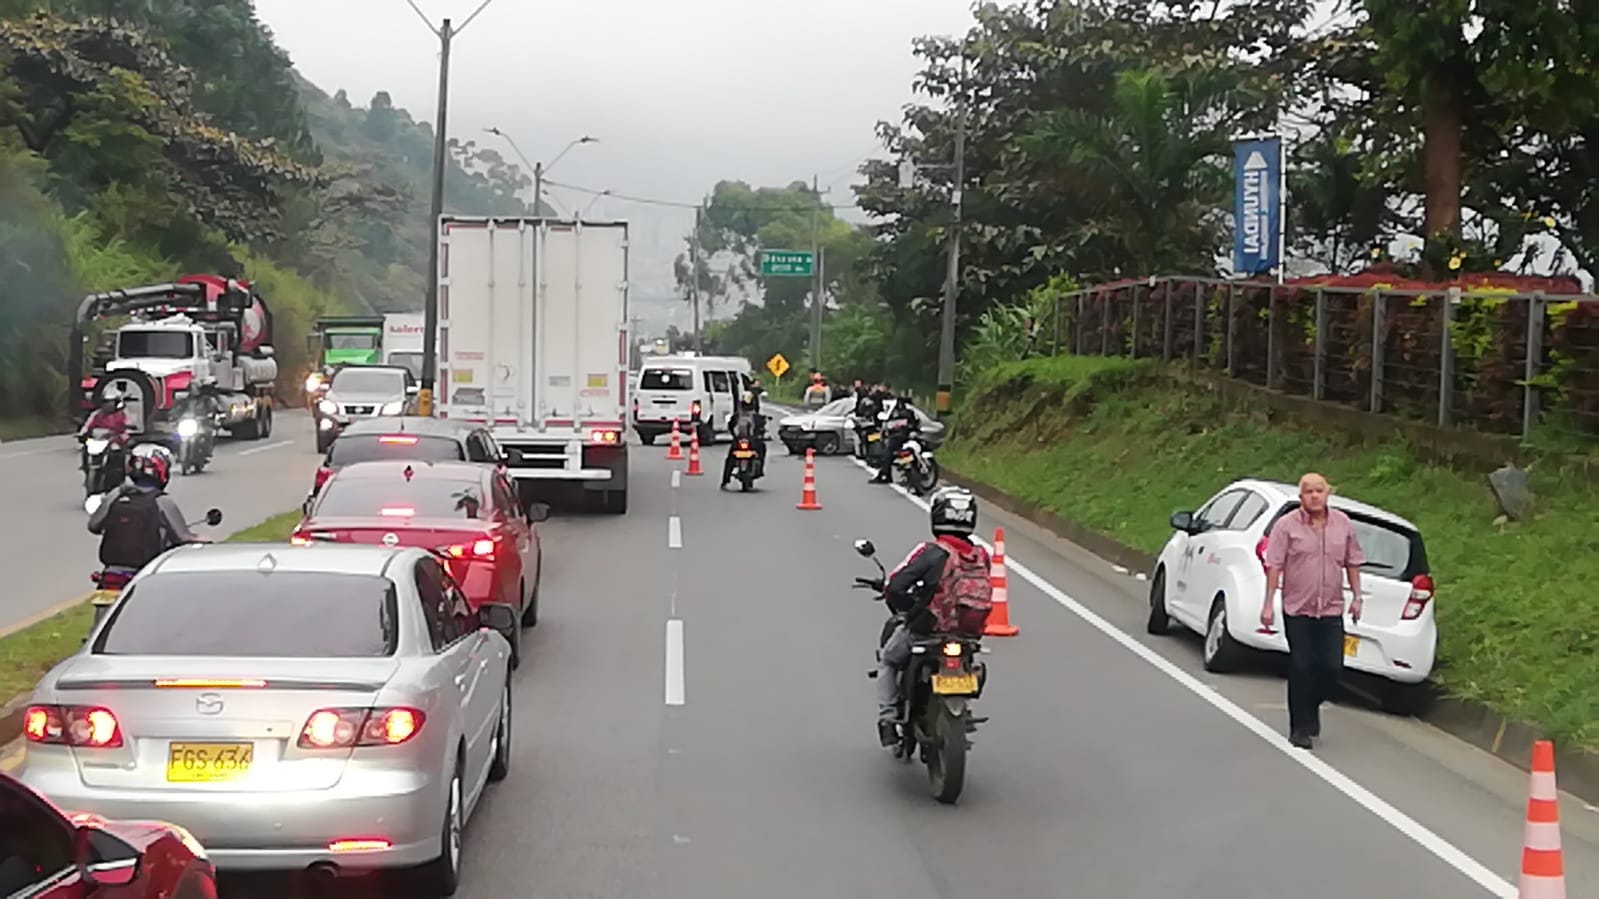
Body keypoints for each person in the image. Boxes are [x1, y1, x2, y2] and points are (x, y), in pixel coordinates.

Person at [875, 486, 992, 746]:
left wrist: (907, 607)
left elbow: (895, 586)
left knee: (888, 660)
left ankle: (888, 718)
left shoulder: (931, 551)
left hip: (929, 630)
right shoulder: (980, 555)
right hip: (967, 633)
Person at [1260, 472, 1366, 749]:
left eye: (1320, 490)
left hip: (1331, 608)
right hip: (1298, 608)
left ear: (1328, 493)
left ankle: (1311, 705)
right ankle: (1300, 728)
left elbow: (1352, 561)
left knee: (1332, 667)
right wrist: (1268, 602)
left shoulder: (1342, 523)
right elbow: (1275, 564)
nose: (1315, 496)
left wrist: (1357, 597)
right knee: (1302, 666)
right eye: (1309, 491)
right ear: (1301, 497)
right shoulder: (1286, 526)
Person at [87, 444, 200, 572]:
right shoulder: (162, 501)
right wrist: (204, 540)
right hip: (148, 572)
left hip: (111, 572)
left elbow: (93, 526)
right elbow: (184, 538)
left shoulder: (116, 495)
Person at [720, 391, 768, 488]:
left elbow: (730, 426)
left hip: (738, 441)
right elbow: (761, 427)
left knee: (730, 459)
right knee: (762, 449)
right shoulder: (755, 416)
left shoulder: (737, 415)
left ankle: (725, 480)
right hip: (751, 442)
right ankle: (760, 470)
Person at [871, 392, 919, 484]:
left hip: (900, 437)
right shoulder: (903, 413)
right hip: (901, 436)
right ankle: (885, 474)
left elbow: (908, 425)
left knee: (887, 453)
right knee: (887, 453)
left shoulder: (904, 413)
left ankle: (885, 475)